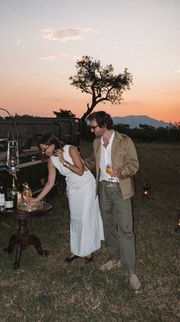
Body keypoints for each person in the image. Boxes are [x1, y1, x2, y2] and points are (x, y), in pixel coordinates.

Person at [84, 111, 141, 290]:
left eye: (94, 127)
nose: (92, 130)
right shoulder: (96, 142)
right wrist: (75, 160)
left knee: (125, 229)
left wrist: (120, 172)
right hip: (103, 189)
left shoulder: (125, 141)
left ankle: (131, 271)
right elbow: (94, 162)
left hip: (120, 189)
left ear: (104, 125)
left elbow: (134, 164)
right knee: (108, 227)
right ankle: (114, 259)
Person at [31, 133, 104, 263]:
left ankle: (88, 251)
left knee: (84, 218)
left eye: (44, 149)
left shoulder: (70, 149)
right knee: (75, 219)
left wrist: (64, 162)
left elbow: (80, 171)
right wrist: (36, 199)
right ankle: (76, 250)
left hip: (86, 185)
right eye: (41, 149)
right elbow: (50, 183)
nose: (43, 152)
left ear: (52, 145)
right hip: (73, 187)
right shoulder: (51, 160)